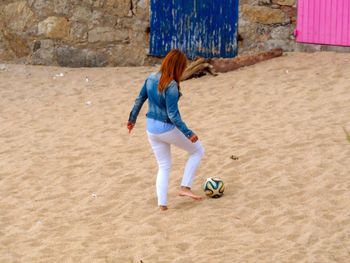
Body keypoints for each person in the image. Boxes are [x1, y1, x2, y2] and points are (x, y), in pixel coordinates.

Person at [127, 49, 205, 211]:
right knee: (197, 150)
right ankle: (185, 187)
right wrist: (189, 133)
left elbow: (139, 99)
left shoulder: (150, 78)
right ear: (178, 66)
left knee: (164, 165)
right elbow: (173, 115)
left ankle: (162, 204)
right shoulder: (171, 85)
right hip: (165, 128)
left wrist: (131, 120)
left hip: (151, 129)